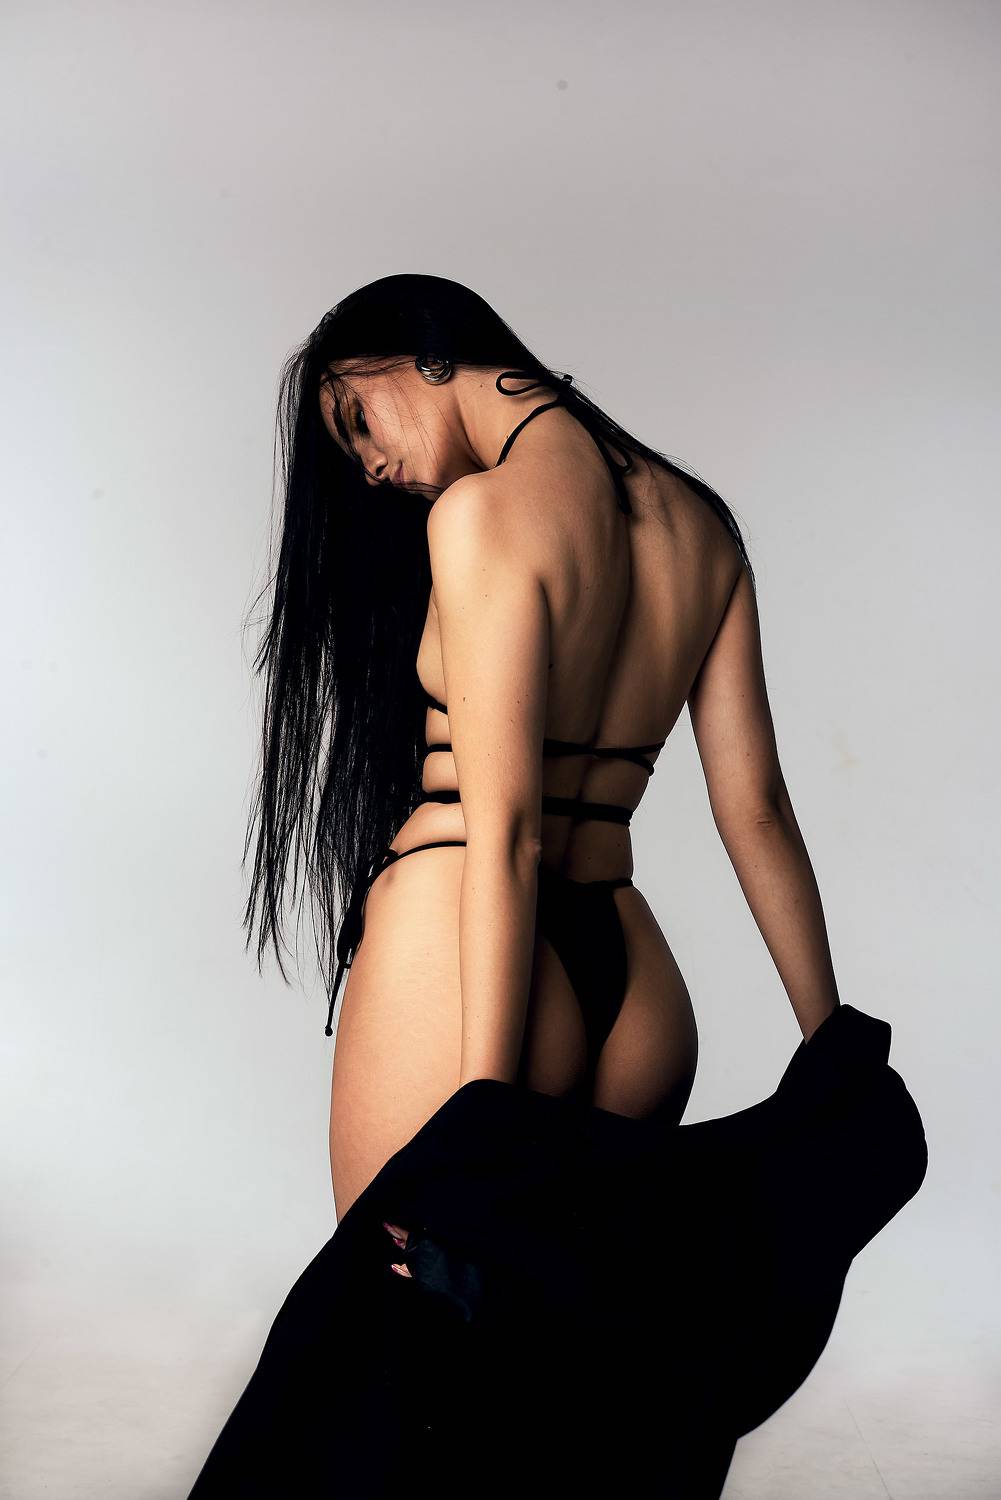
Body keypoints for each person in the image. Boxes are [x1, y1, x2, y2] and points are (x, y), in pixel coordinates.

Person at [186, 274, 928, 1498]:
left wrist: (478, 1130)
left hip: (469, 940)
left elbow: (508, 833)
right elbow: (753, 808)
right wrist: (828, 1046)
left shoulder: (481, 517)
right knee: (555, 1398)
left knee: (392, 1372)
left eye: (355, 420)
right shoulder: (701, 527)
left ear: (425, 355)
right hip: (634, 985)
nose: (366, 467)